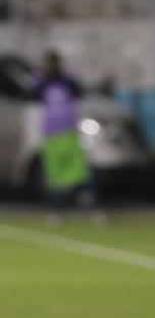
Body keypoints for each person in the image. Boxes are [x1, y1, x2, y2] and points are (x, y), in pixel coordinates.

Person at [32, 50, 93, 209]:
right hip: (52, 133)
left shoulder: (68, 82)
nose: (52, 66)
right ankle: (56, 209)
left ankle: (88, 206)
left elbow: (81, 91)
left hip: (69, 132)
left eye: (54, 62)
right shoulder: (42, 83)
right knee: (54, 175)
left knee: (79, 171)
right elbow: (32, 93)